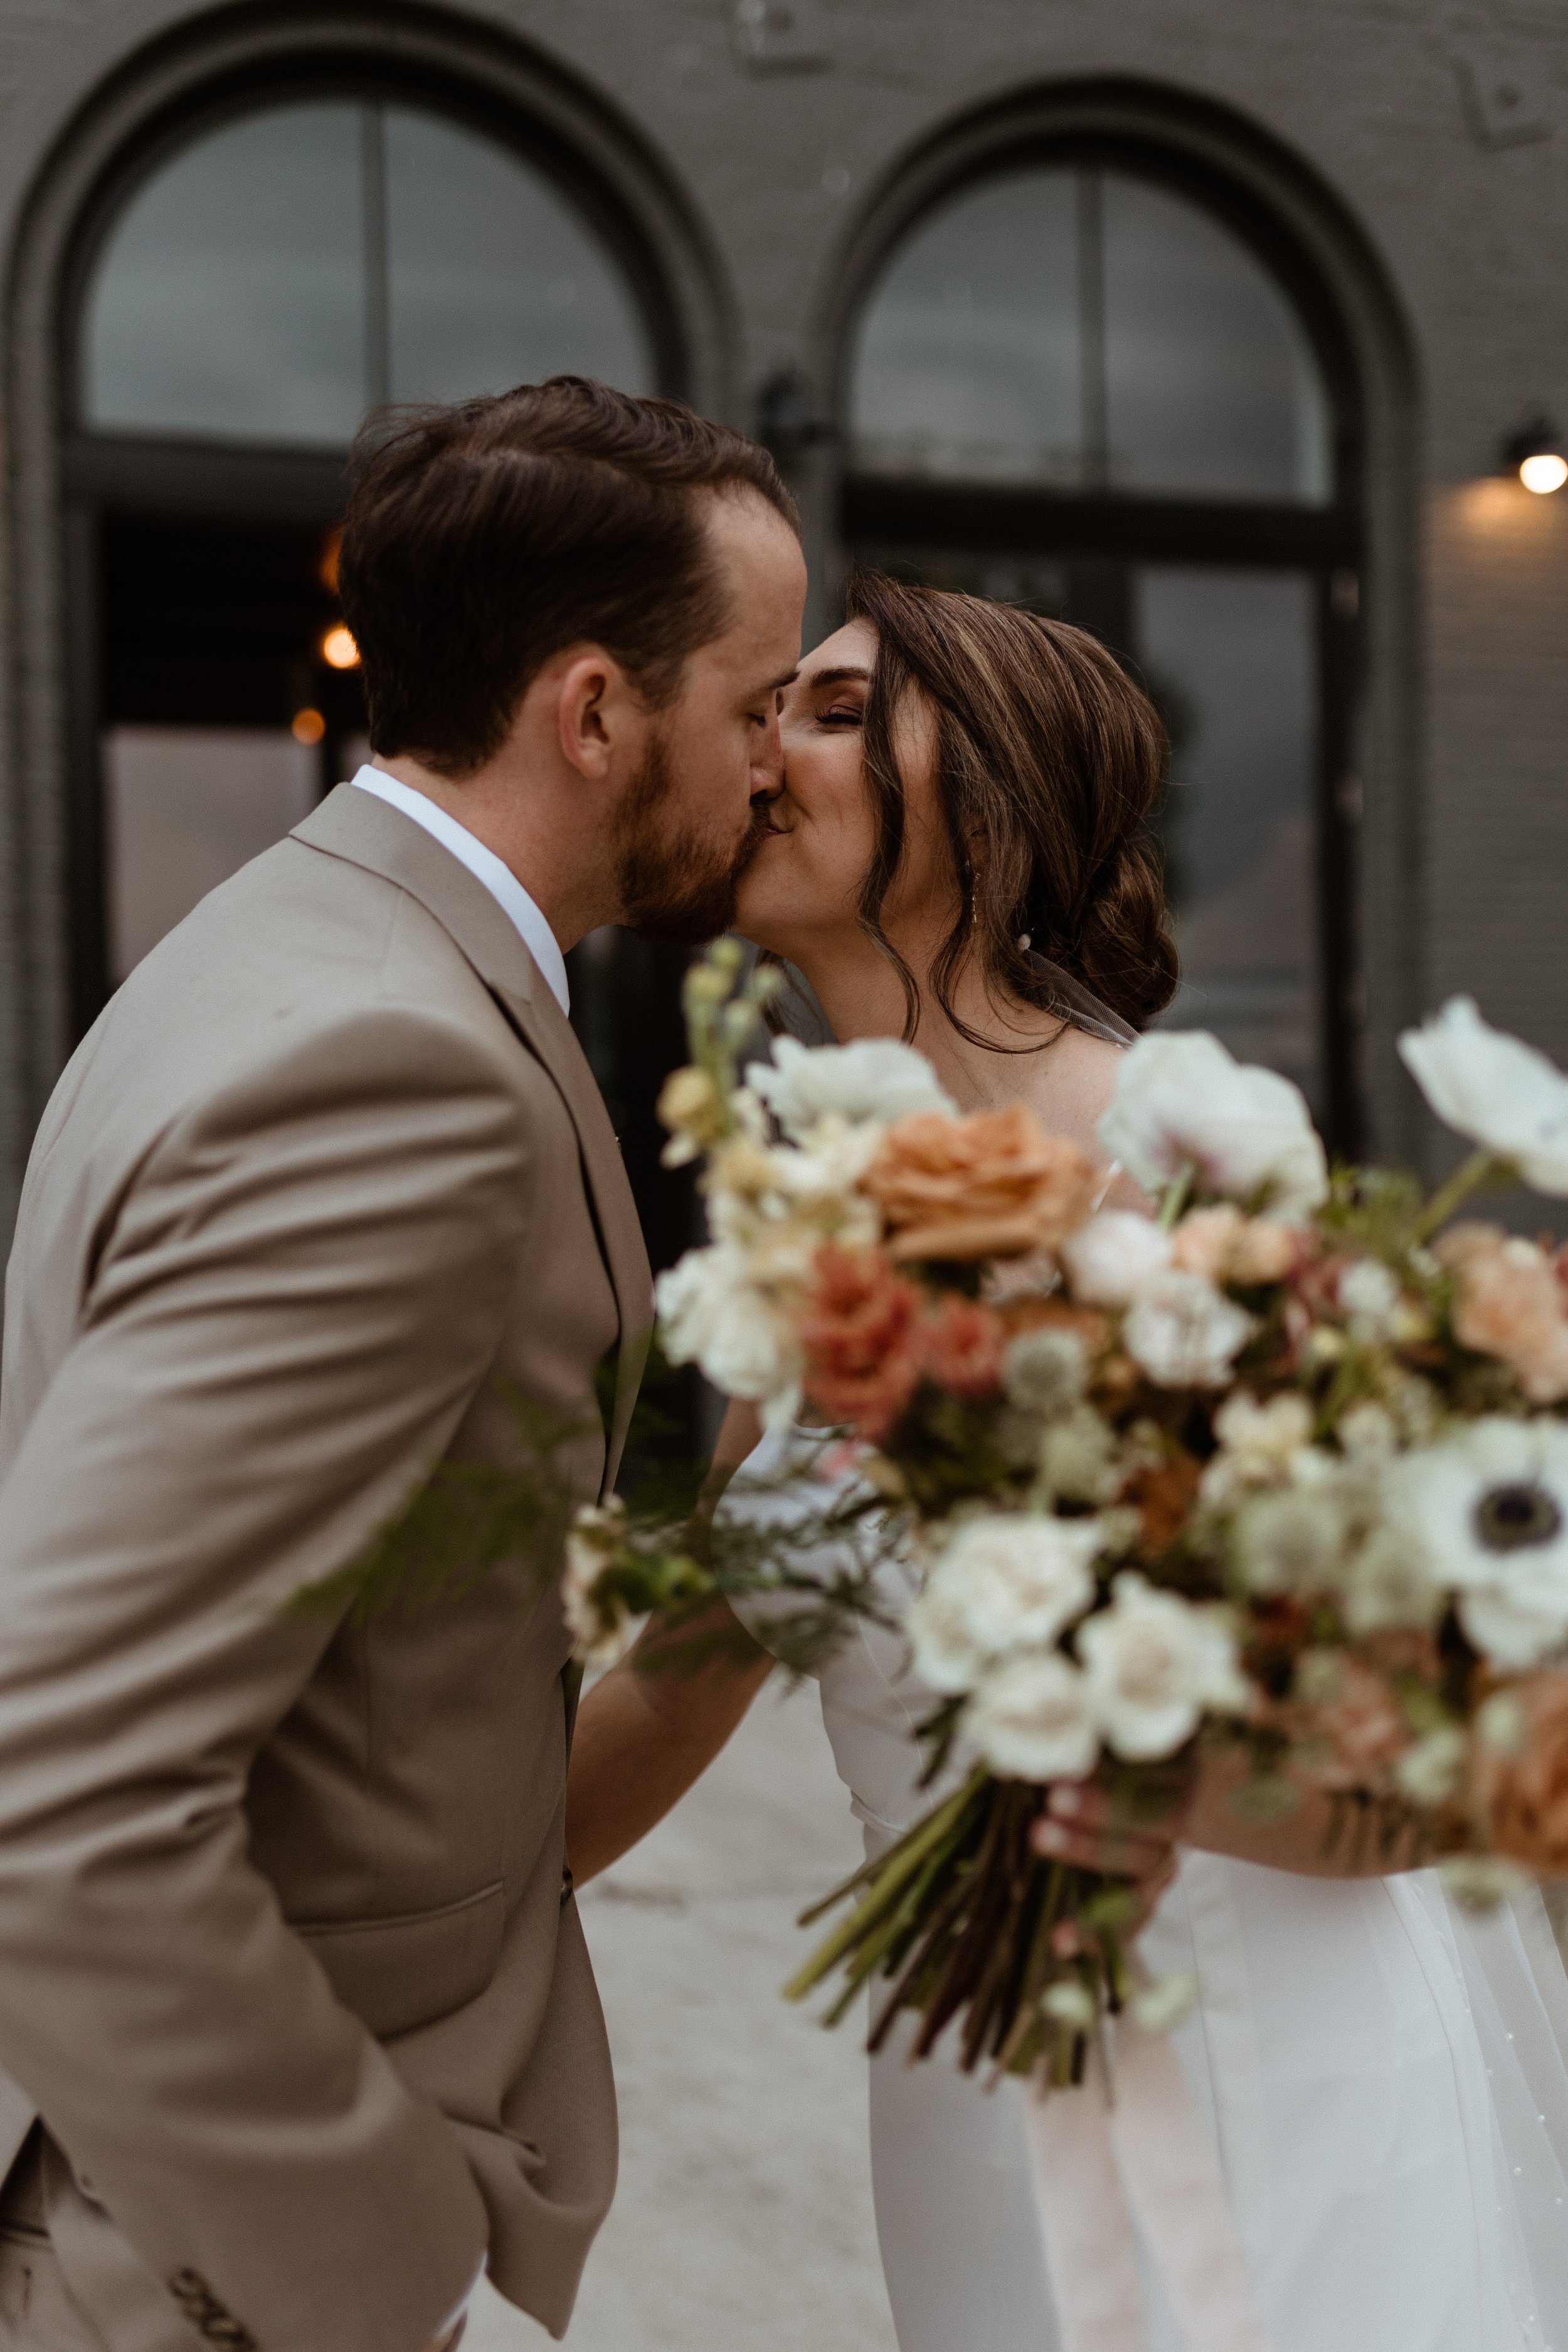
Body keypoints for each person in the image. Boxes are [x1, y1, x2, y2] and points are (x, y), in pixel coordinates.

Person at [567, 573, 1568, 2352]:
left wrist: (1113, 1778)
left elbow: (1422, 1776)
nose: (761, 747)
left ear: (998, 796)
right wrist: (375, 1893)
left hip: (1259, 2104)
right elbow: (693, 1665)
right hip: (966, 2104)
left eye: (831, 707)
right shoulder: (800, 1218)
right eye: (765, 706)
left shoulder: (1182, 1179)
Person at [0, 376, 805, 2352]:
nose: (779, 763)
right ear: (596, 711)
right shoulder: (393, 1071)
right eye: (759, 699)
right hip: (198, 2266)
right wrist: (373, 2260)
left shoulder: (279, 946)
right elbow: (59, 1791)